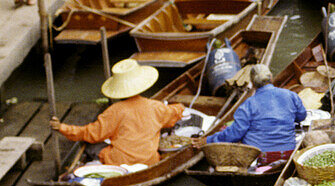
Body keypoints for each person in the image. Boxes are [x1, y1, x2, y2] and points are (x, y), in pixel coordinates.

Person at [51, 59, 185, 166]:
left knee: (89, 143)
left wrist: (62, 127)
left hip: (118, 161)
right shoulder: (155, 106)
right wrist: (180, 107)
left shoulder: (114, 111)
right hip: (150, 161)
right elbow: (176, 112)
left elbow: (91, 133)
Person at [196, 65, 306, 164]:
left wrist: (209, 140)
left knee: (232, 129)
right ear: (271, 78)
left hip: (259, 157)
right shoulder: (291, 95)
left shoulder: (248, 104)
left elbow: (234, 134)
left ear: (252, 84)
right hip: (288, 153)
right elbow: (302, 116)